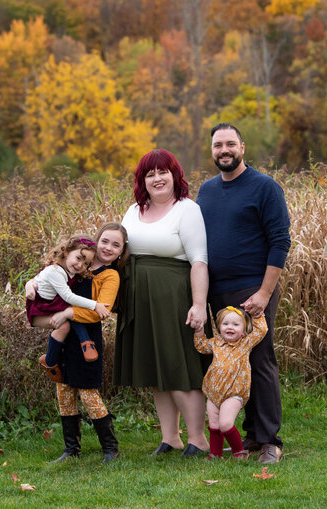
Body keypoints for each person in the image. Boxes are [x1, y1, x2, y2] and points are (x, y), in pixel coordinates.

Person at [196, 123, 291, 464]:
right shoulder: (206, 192)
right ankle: (249, 434)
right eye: (218, 145)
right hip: (217, 293)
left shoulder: (264, 187)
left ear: (242, 147)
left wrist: (265, 293)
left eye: (230, 144)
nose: (224, 150)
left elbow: (280, 242)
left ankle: (270, 441)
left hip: (253, 288)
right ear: (212, 150)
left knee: (259, 359)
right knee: (232, 362)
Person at [114, 148, 211, 457]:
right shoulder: (133, 211)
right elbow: (113, 249)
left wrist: (198, 304)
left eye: (162, 172)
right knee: (155, 368)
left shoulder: (187, 209)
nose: (157, 178)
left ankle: (198, 438)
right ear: (143, 180)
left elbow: (199, 261)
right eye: (150, 173)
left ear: (174, 175)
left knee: (178, 367)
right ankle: (171, 438)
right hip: (139, 298)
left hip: (173, 297)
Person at [26, 223, 129, 463]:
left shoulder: (110, 276)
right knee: (64, 392)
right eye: (105, 241)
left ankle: (110, 448)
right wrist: (29, 284)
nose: (109, 247)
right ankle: (71, 449)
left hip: (87, 341)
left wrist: (68, 314)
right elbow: (44, 278)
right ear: (96, 240)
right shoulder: (76, 262)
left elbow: (100, 311)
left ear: (122, 251)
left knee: (88, 393)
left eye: (116, 245)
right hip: (64, 340)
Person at [26, 236, 111, 380]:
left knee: (70, 316)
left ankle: (80, 346)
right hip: (40, 308)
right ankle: (53, 361)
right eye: (79, 257)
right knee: (67, 318)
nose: (80, 265)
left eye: (86, 263)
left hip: (52, 304)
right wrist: (95, 305)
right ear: (66, 252)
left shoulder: (67, 269)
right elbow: (68, 296)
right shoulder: (55, 271)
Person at [194, 306, 267, 460]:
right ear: (219, 327)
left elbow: (261, 331)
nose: (230, 327)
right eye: (226, 323)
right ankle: (215, 453)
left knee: (225, 423)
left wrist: (257, 315)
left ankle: (239, 452)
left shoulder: (245, 343)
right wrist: (199, 331)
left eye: (235, 324)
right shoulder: (216, 343)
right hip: (214, 391)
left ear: (244, 330)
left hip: (234, 393)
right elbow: (201, 346)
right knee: (214, 424)